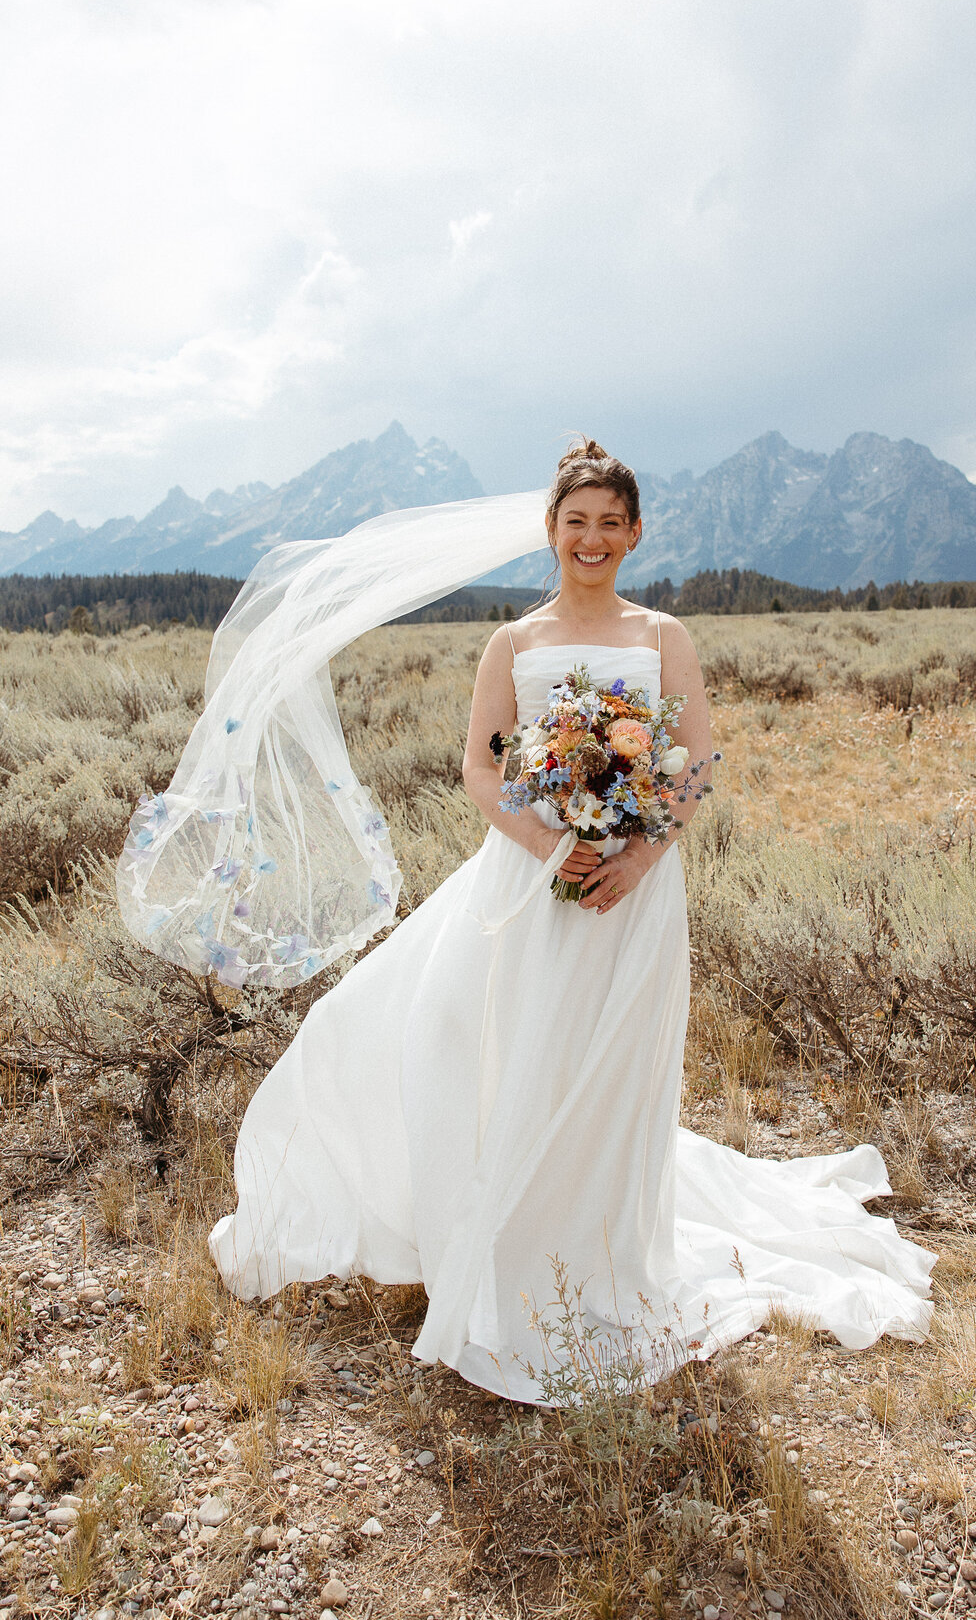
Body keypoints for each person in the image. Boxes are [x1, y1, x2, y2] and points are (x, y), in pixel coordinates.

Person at [206, 440, 934, 1402]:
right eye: (574, 522)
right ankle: (505, 1230)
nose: (591, 539)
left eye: (609, 523)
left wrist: (636, 853)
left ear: (634, 534)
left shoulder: (663, 635)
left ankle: (602, 1241)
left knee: (614, 1060)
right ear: (550, 531)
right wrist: (549, 844)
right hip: (530, 880)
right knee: (498, 1048)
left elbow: (697, 760)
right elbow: (479, 765)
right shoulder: (512, 643)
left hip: (635, 888)